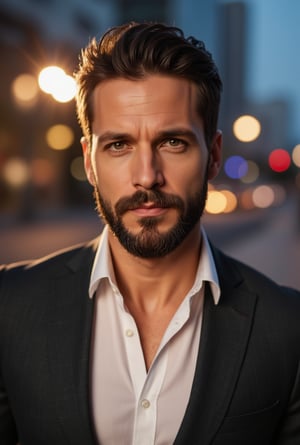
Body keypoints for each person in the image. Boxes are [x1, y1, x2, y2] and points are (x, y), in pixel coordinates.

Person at [0, 21, 299, 445]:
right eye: (118, 145)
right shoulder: (8, 307)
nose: (146, 177)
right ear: (89, 161)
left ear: (213, 156)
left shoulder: (287, 328)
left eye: (172, 143)